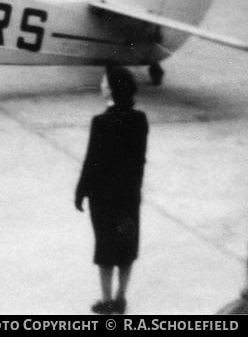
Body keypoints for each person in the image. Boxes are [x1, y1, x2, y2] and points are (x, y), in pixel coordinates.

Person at [75, 65, 149, 315]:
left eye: (104, 82)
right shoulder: (139, 120)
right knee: (127, 247)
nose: (101, 85)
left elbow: (91, 161)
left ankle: (106, 301)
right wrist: (133, 193)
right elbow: (139, 161)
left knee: (105, 248)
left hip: (103, 199)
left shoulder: (101, 122)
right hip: (128, 197)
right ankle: (120, 298)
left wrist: (81, 190)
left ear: (113, 89)